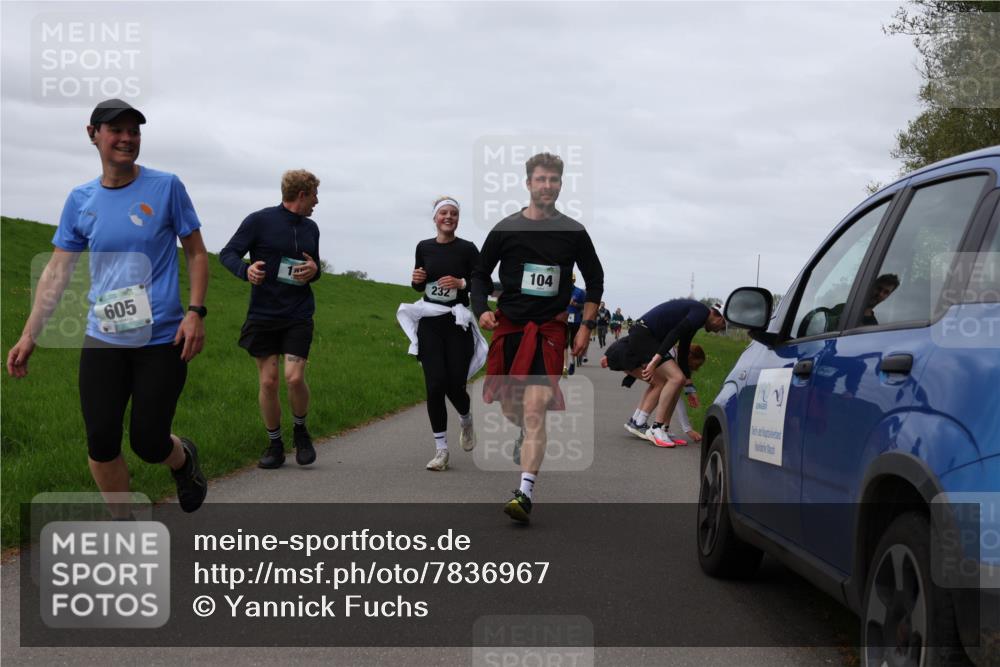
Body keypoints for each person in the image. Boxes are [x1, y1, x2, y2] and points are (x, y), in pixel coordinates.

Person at [6, 98, 209, 515]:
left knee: (149, 442)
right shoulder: (80, 199)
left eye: (134, 131)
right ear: (93, 134)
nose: (127, 138)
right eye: (116, 130)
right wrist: (30, 334)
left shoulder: (166, 186)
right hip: (104, 336)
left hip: (162, 338)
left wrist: (195, 312)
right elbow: (58, 271)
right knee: (100, 441)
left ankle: (182, 459)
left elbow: (196, 253)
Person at [471, 152, 604, 523]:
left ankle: (524, 492)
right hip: (510, 328)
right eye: (541, 179)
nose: (548, 186)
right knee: (511, 408)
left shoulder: (573, 232)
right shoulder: (506, 229)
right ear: (528, 183)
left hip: (549, 332)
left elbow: (596, 280)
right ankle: (523, 435)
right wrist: (480, 306)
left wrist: (585, 327)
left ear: (561, 185)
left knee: (534, 408)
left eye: (554, 180)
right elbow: (480, 273)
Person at [220, 170, 322, 469]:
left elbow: (314, 266)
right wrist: (245, 270)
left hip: (298, 313)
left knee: (293, 376)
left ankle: (301, 431)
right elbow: (228, 254)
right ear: (301, 194)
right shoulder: (259, 220)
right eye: (314, 195)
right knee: (268, 381)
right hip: (264, 314)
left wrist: (314, 270)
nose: (317, 201)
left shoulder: (311, 228)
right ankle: (275, 444)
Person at [396, 196, 487, 471]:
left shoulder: (468, 249)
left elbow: (481, 282)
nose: (449, 217)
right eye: (444, 213)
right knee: (435, 385)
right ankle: (441, 450)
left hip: (457, 323)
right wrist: (416, 281)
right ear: (435, 218)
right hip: (430, 322)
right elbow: (418, 284)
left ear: (458, 219)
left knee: (454, 385)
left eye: (454, 214)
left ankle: (466, 418)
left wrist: (461, 282)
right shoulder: (423, 247)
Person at [602, 299, 726, 448]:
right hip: (644, 334)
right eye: (722, 326)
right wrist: (656, 359)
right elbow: (675, 333)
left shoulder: (697, 317)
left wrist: (689, 387)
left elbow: (684, 349)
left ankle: (656, 427)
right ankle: (656, 428)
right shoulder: (701, 313)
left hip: (644, 334)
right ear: (718, 317)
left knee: (674, 380)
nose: (718, 331)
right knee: (675, 378)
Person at [668, 344, 706, 443]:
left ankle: (638, 420)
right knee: (667, 394)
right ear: (689, 357)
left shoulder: (677, 360)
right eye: (695, 365)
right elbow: (676, 399)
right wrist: (688, 429)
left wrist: (690, 392)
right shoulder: (671, 358)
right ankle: (658, 427)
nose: (696, 369)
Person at [564, 274, 586, 375]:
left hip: (575, 319)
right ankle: (566, 365)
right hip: (564, 319)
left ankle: (573, 362)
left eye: (572, 280)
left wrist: (575, 304)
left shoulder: (579, 292)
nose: (570, 282)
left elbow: (585, 306)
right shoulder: (562, 291)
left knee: (572, 343)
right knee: (564, 343)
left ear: (574, 281)